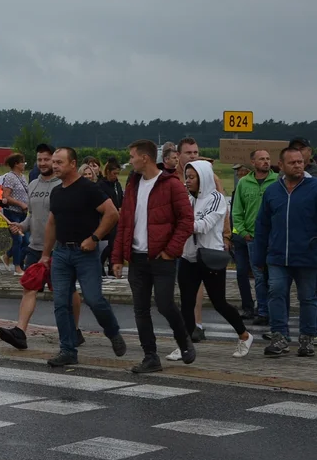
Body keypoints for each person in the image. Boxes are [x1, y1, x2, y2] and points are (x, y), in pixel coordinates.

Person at [112, 139, 194, 374]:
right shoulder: (133, 184)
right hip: (136, 259)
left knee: (165, 304)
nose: (130, 161)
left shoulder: (171, 185)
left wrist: (171, 250)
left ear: (144, 157)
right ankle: (150, 356)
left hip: (162, 258)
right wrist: (118, 257)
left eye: (132, 156)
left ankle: (184, 341)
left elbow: (186, 221)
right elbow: (125, 222)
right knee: (140, 309)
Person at [43, 147, 127, 368]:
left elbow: (112, 214)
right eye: (54, 162)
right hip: (61, 253)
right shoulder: (57, 192)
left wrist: (95, 237)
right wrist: (45, 254)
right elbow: (52, 223)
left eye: (59, 162)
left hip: (85, 253)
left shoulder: (89, 189)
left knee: (94, 299)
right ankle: (67, 350)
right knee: (61, 303)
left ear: (73, 164)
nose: (55, 166)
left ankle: (113, 332)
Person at [0, 145, 85, 350]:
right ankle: (20, 332)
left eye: (48, 160)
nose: (44, 164)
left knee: (66, 292)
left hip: (59, 249)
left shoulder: (63, 185)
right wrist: (21, 225)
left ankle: (74, 331)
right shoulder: (34, 184)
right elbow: (32, 216)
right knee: (29, 288)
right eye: (40, 160)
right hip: (35, 248)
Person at [170, 161, 254, 359]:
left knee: (219, 302)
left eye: (192, 177)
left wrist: (180, 223)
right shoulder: (187, 198)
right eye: (186, 177)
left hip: (210, 257)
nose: (187, 181)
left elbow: (203, 225)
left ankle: (244, 335)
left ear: (203, 178)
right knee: (187, 302)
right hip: (188, 257)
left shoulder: (216, 199)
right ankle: (185, 345)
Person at [253, 147, 317, 357]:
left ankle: (308, 339)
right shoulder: (272, 191)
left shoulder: (314, 188)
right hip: (277, 256)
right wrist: (259, 257)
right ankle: (279, 337)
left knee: (307, 298)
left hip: (308, 256)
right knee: (276, 293)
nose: (298, 165)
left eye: (300, 162)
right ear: (281, 166)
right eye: (293, 162)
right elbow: (262, 225)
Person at [233, 149, 278, 325]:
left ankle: (276, 311)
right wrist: (244, 233)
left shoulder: (278, 181)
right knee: (259, 277)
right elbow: (237, 211)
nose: (266, 162)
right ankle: (263, 311)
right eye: (262, 159)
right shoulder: (244, 183)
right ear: (253, 162)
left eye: (268, 158)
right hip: (253, 238)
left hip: (275, 238)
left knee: (275, 278)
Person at [0, 153, 30, 275]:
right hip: (12, 213)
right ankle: (17, 267)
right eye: (22, 162)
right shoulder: (10, 177)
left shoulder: (23, 177)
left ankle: (8, 255)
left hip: (22, 214)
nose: (24, 164)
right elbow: (6, 196)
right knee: (17, 239)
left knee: (26, 241)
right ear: (16, 164)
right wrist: (20, 204)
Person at [98, 159, 124, 278]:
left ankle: (111, 267)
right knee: (109, 244)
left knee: (115, 243)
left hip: (118, 217)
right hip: (106, 217)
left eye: (118, 173)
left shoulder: (117, 184)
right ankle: (100, 264)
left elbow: (120, 198)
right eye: (114, 173)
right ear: (108, 172)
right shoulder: (101, 185)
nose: (116, 176)